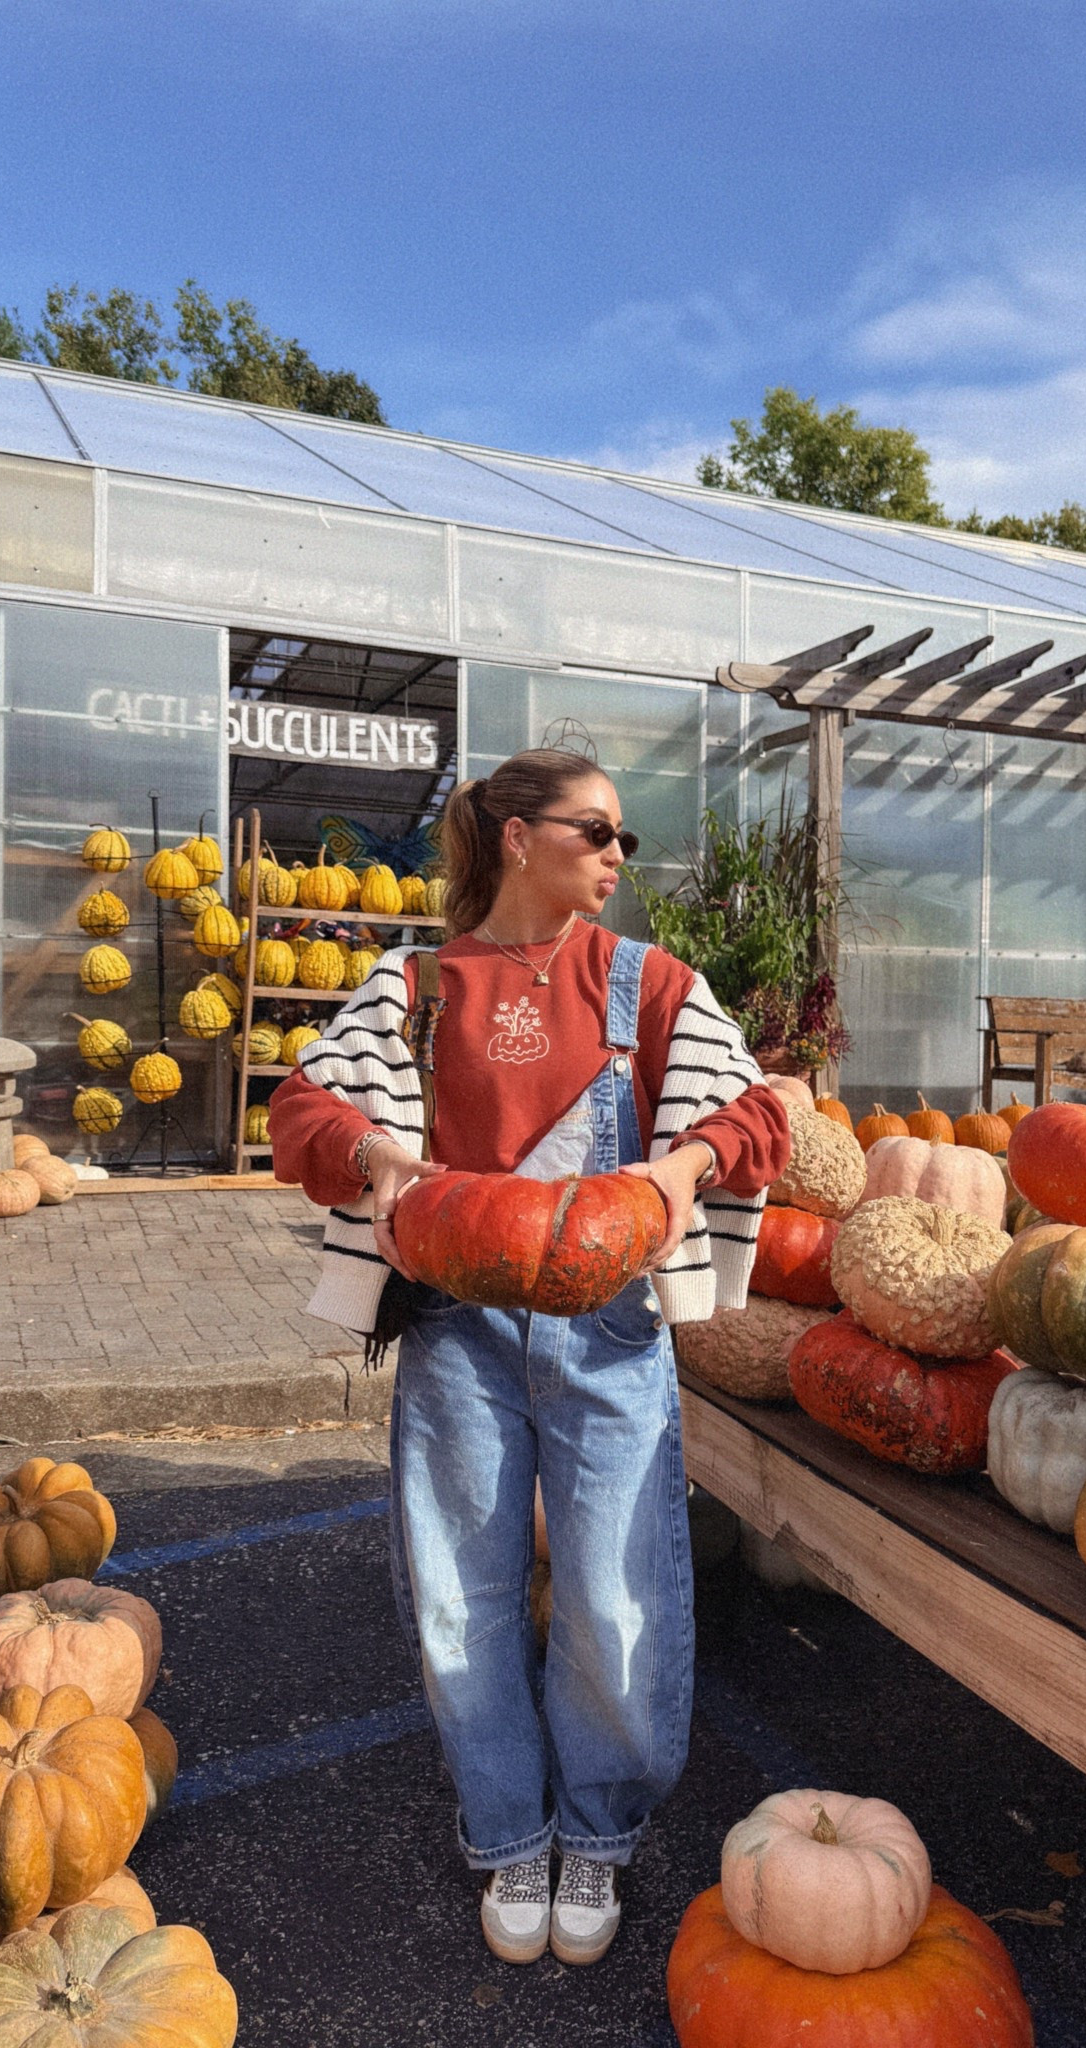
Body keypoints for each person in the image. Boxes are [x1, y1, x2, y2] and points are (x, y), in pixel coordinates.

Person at [269, 746, 791, 1967]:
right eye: (596, 830)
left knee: (615, 1587)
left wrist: (683, 1165)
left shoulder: (647, 981)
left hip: (608, 1320)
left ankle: (597, 1830)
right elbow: (304, 1108)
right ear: (516, 836)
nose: (618, 856)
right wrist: (378, 1158)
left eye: (624, 839)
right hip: (456, 1317)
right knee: (463, 1588)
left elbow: (761, 1109)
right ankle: (509, 1828)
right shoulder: (419, 982)